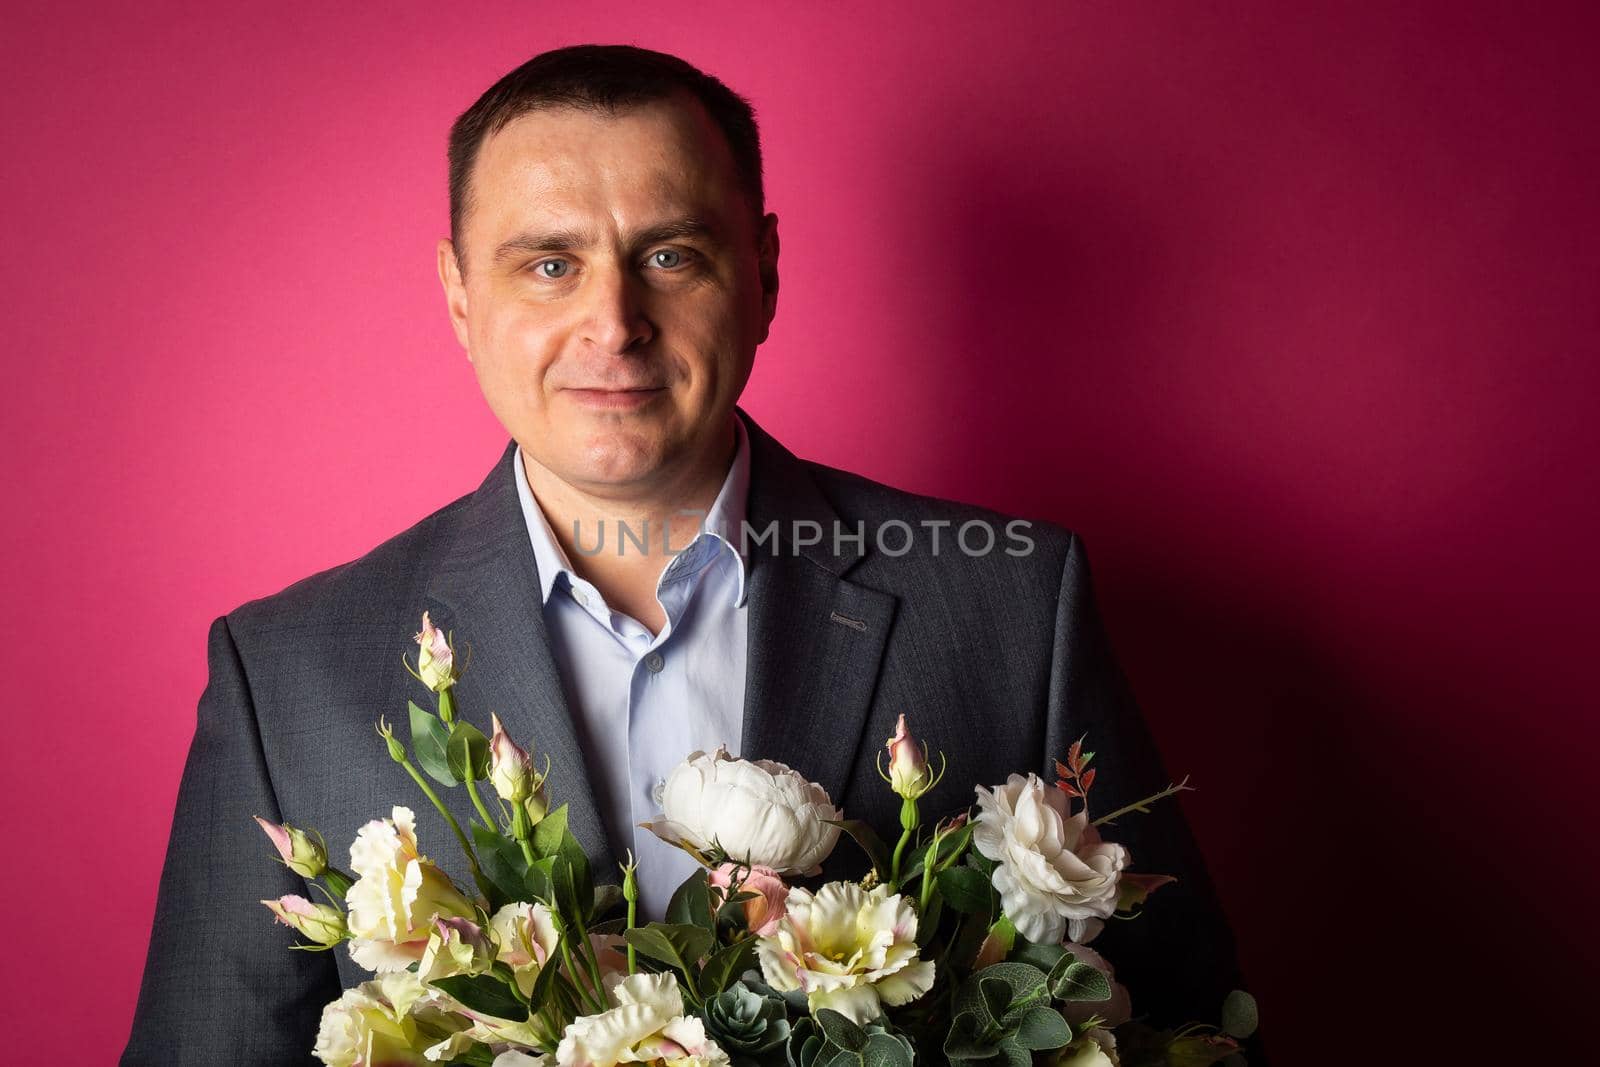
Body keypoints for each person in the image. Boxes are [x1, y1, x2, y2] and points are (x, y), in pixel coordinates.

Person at [123, 44, 1249, 1064]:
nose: (614, 322)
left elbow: (1184, 1030)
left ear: (760, 272)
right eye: (548, 265)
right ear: (461, 296)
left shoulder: (1012, 604)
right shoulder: (286, 673)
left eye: (668, 254)